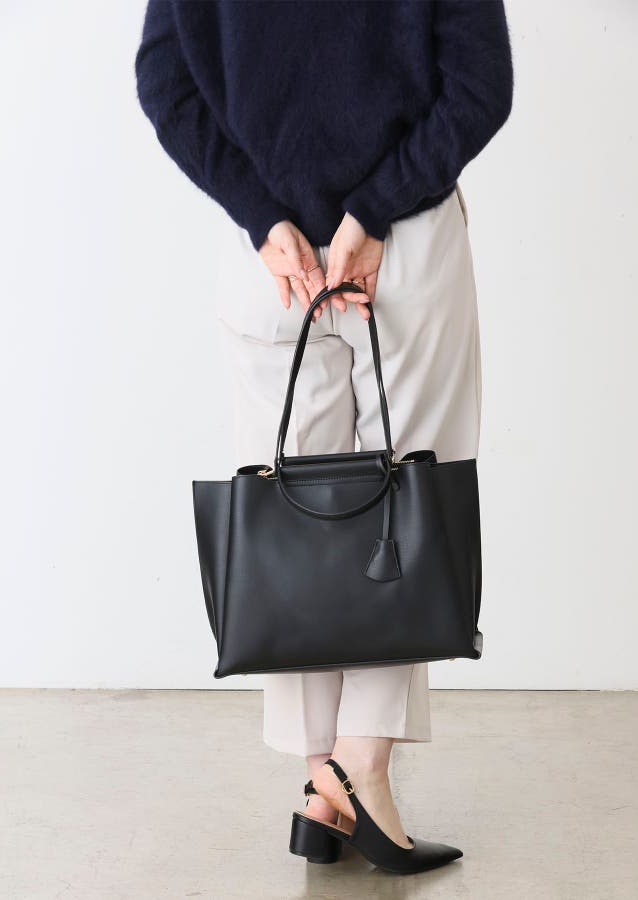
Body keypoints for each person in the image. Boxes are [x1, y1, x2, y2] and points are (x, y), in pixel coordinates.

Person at [135, 0, 513, 874]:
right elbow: (479, 86)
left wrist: (266, 217)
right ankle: (360, 770)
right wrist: (372, 213)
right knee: (406, 508)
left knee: (293, 522)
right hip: (403, 247)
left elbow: (166, 81)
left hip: (270, 268)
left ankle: (321, 783)